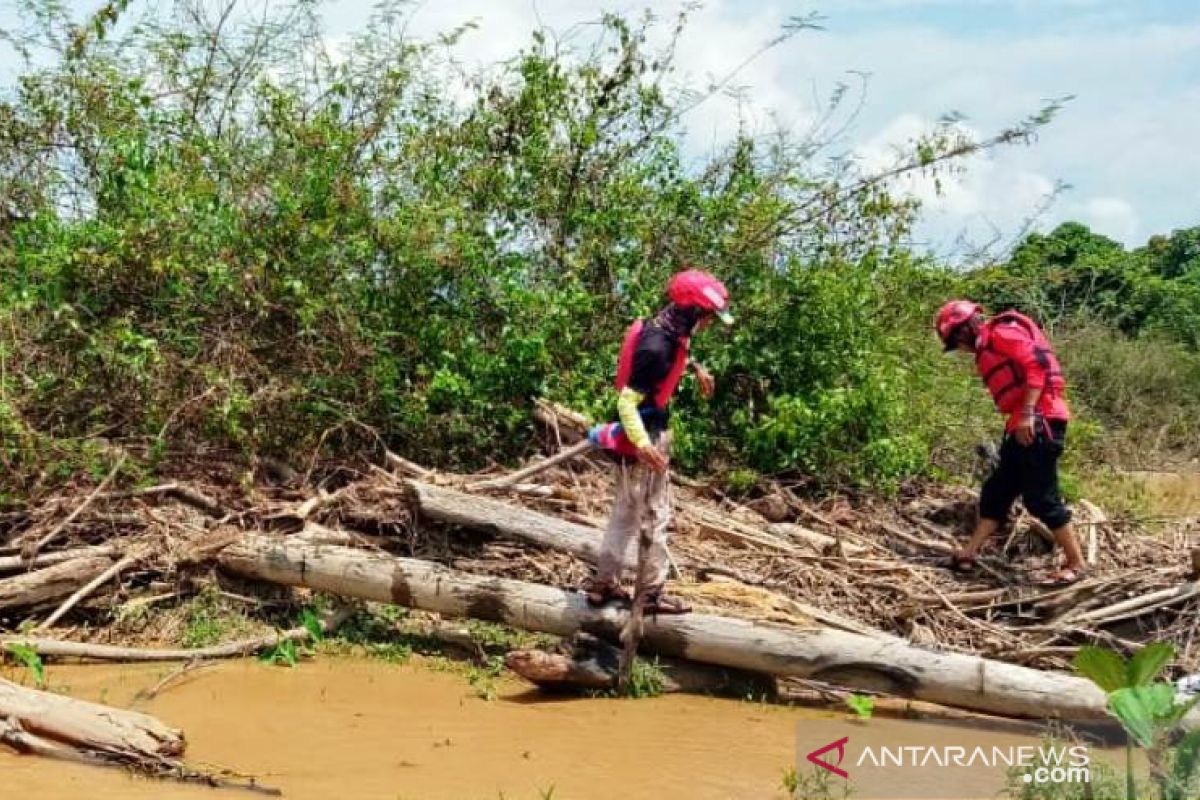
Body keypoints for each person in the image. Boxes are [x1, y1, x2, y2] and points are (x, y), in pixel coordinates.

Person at [583, 268, 733, 614]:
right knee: (656, 515)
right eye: (709, 316)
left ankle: (603, 585)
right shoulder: (658, 347)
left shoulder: (666, 327)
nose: (709, 324)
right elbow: (626, 400)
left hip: (636, 435)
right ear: (694, 311)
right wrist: (645, 445)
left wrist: (696, 368)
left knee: (624, 513)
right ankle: (650, 594)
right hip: (644, 436)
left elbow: (679, 350)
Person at [935, 300, 1088, 586]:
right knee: (997, 491)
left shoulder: (1002, 333)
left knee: (1041, 498)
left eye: (957, 343)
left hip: (1040, 420)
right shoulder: (986, 347)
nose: (962, 350)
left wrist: (1028, 413)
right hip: (1019, 425)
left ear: (962, 332)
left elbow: (1036, 366)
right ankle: (968, 554)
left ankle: (1077, 563)